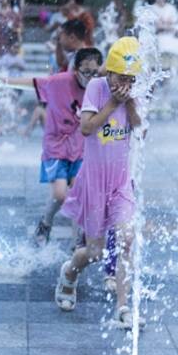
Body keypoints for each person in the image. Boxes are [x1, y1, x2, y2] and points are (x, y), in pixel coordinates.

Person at [54, 37, 143, 329]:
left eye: (131, 78)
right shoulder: (97, 87)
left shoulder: (133, 91)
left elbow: (140, 128)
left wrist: (128, 102)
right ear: (110, 72)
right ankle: (69, 272)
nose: (126, 82)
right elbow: (87, 127)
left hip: (120, 181)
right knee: (94, 252)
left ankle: (122, 307)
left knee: (127, 240)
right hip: (94, 181)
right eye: (121, 77)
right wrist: (113, 102)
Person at [5, 48, 103, 245]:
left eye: (95, 72)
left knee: (79, 194)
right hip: (56, 147)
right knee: (59, 194)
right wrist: (2, 81)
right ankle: (46, 222)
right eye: (86, 72)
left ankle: (78, 240)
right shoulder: (59, 82)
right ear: (76, 69)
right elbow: (32, 83)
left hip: (80, 149)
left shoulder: (98, 87)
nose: (90, 77)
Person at [153, 0, 178, 74]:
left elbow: (177, 26)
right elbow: (155, 27)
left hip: (170, 44)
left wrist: (163, 26)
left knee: (169, 69)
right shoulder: (152, 9)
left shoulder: (171, 8)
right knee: (156, 69)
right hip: (157, 43)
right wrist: (166, 26)